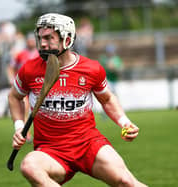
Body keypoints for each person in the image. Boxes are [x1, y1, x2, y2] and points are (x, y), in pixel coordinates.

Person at [8, 13, 148, 187]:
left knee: (126, 181)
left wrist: (124, 122)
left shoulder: (91, 68)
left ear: (67, 39)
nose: (42, 43)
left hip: (88, 144)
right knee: (29, 166)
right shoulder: (29, 69)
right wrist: (19, 127)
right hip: (51, 150)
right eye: (40, 38)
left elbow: (107, 99)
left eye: (49, 38)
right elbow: (14, 96)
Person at [7, 32, 39, 142]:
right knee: (24, 108)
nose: (31, 42)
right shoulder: (20, 54)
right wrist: (12, 79)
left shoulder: (40, 54)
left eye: (32, 40)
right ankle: (26, 133)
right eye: (29, 40)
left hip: (36, 86)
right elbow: (11, 67)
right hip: (24, 85)